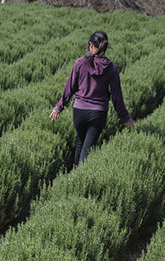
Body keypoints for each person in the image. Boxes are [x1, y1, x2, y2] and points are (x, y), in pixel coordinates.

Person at [50, 31, 134, 165]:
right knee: (87, 149)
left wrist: (58, 107)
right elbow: (116, 96)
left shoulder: (80, 63)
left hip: (79, 111)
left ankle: (74, 177)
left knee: (80, 143)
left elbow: (69, 87)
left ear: (91, 45)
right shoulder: (111, 68)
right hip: (98, 114)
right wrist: (124, 117)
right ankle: (78, 179)